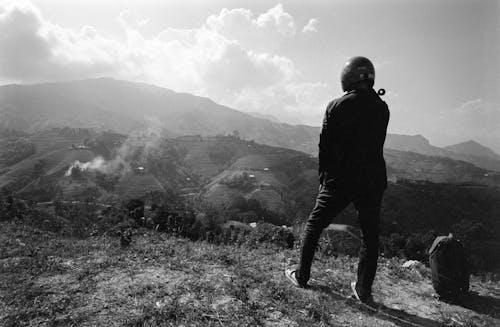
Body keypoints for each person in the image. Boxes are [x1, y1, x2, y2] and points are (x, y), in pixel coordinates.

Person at [285, 56, 390, 305]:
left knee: (314, 224)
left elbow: (325, 146)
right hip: (372, 180)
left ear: (347, 77)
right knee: (370, 236)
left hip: (340, 178)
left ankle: (302, 275)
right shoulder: (382, 107)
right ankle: (363, 289)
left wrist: (323, 177)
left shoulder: (336, 106)